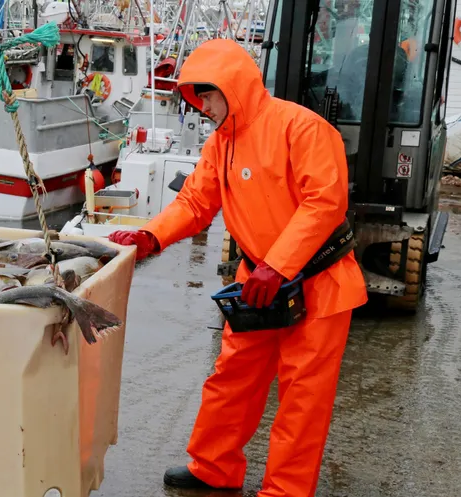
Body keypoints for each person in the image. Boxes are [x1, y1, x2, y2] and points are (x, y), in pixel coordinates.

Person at [108, 39, 368, 496]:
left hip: (319, 282)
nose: (203, 108)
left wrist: (278, 264)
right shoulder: (220, 143)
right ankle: (213, 468)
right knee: (232, 379)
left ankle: (285, 491)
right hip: (259, 283)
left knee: (303, 399)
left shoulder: (302, 128)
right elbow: (195, 202)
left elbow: (325, 204)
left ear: (234, 87)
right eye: (199, 99)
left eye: (207, 97)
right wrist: (152, 235)